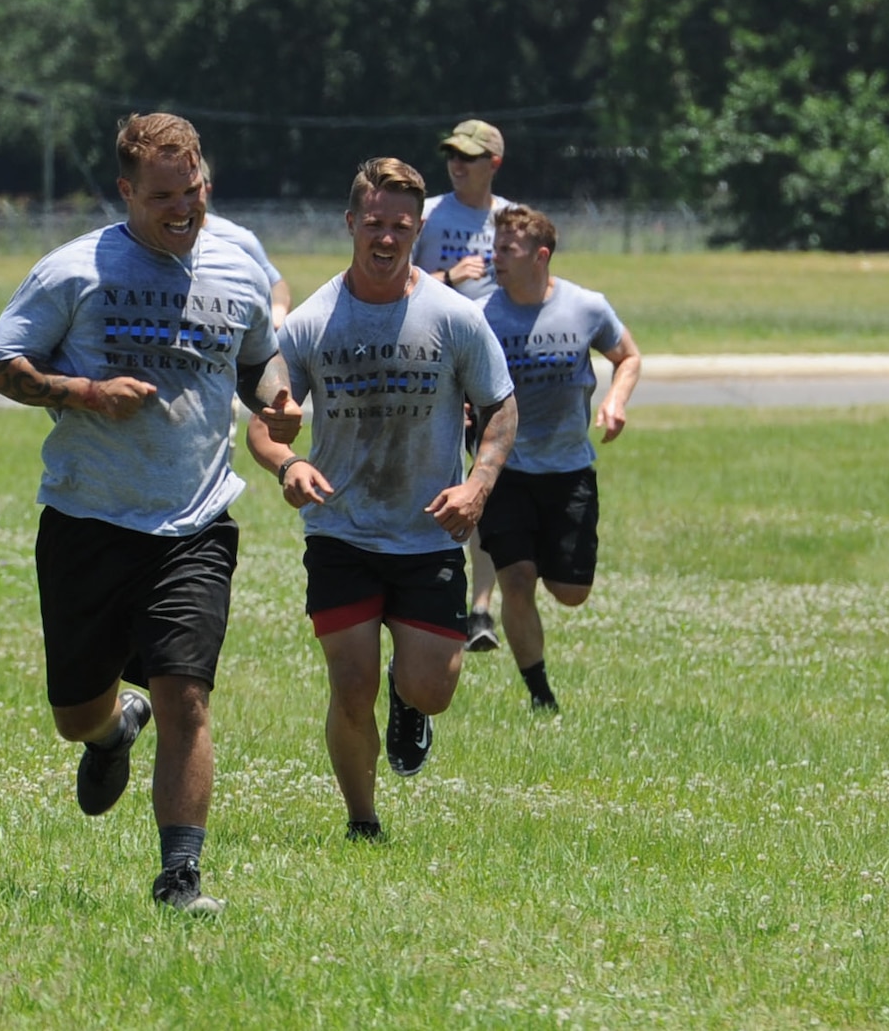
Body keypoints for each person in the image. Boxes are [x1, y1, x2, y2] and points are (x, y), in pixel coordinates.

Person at [0, 113, 301, 914]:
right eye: (162, 195)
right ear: (127, 190)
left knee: (185, 695)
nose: (183, 207)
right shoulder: (74, 270)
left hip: (195, 520)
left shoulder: (237, 262)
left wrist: (278, 398)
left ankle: (180, 876)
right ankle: (105, 730)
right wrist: (85, 392)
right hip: (88, 518)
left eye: (192, 189)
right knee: (72, 711)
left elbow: (258, 357)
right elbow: (2, 364)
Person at [246, 157, 515, 842]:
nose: (386, 238)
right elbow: (264, 421)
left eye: (401, 225)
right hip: (340, 527)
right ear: (351, 223)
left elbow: (501, 407)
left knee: (434, 686)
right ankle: (362, 819)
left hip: (426, 530)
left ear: (418, 229)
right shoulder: (309, 323)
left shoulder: (453, 317)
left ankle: (410, 702)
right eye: (374, 223)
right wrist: (287, 463)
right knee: (351, 680)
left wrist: (477, 484)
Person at [470, 205, 641, 713]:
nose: (495, 257)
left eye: (508, 249)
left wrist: (615, 401)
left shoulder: (586, 308)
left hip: (568, 469)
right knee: (517, 579)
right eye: (495, 247)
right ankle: (540, 695)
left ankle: (549, 559)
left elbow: (628, 356)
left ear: (540, 256)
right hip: (504, 469)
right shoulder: (481, 315)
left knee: (571, 591)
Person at [411, 118, 514, 651]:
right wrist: (449, 276)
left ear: (493, 163)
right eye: (452, 154)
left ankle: (480, 611)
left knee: (484, 490)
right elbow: (385, 276)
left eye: (469, 157)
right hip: (433, 368)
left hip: (493, 374)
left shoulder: (510, 219)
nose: (457, 163)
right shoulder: (426, 214)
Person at [198, 158, 292, 324]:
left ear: (207, 189)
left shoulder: (239, 240)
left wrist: (276, 317)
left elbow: (275, 283)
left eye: (191, 190)